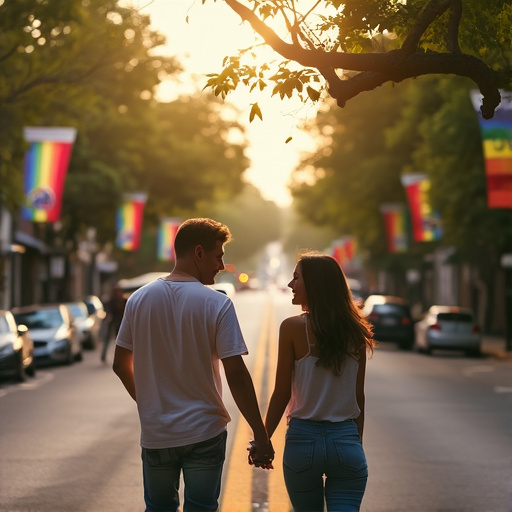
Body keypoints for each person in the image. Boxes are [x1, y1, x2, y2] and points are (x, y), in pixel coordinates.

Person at [112, 217, 273, 512]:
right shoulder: (217, 304)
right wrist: (260, 436)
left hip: (157, 432)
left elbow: (120, 364)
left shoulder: (138, 300)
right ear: (198, 252)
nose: (221, 266)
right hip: (205, 432)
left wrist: (150, 403)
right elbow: (235, 374)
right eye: (218, 256)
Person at [263, 252, 375, 512]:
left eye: (296, 278)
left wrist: (263, 439)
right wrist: (353, 444)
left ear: (315, 284)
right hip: (346, 440)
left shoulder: (291, 328)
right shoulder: (356, 330)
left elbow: (281, 394)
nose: (291, 285)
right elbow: (359, 397)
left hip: (303, 441)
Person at [100, 284, 126, 362]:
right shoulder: (111, 301)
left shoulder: (123, 300)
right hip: (112, 322)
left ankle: (121, 357)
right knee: (107, 339)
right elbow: (108, 311)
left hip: (120, 322)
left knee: (120, 341)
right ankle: (104, 356)